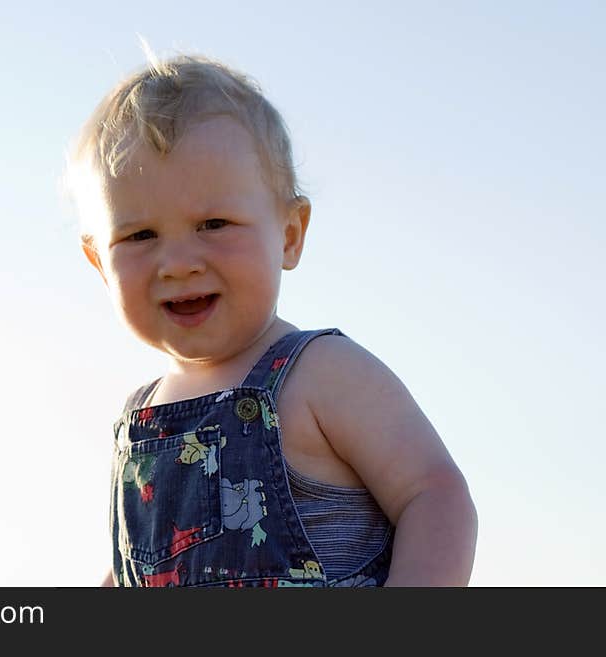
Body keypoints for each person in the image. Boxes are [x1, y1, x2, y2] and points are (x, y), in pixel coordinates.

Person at [63, 52, 477, 587]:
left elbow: (435, 494)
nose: (180, 262)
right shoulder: (137, 419)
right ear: (99, 260)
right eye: (140, 236)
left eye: (214, 223)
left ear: (289, 233)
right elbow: (134, 572)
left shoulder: (320, 373)